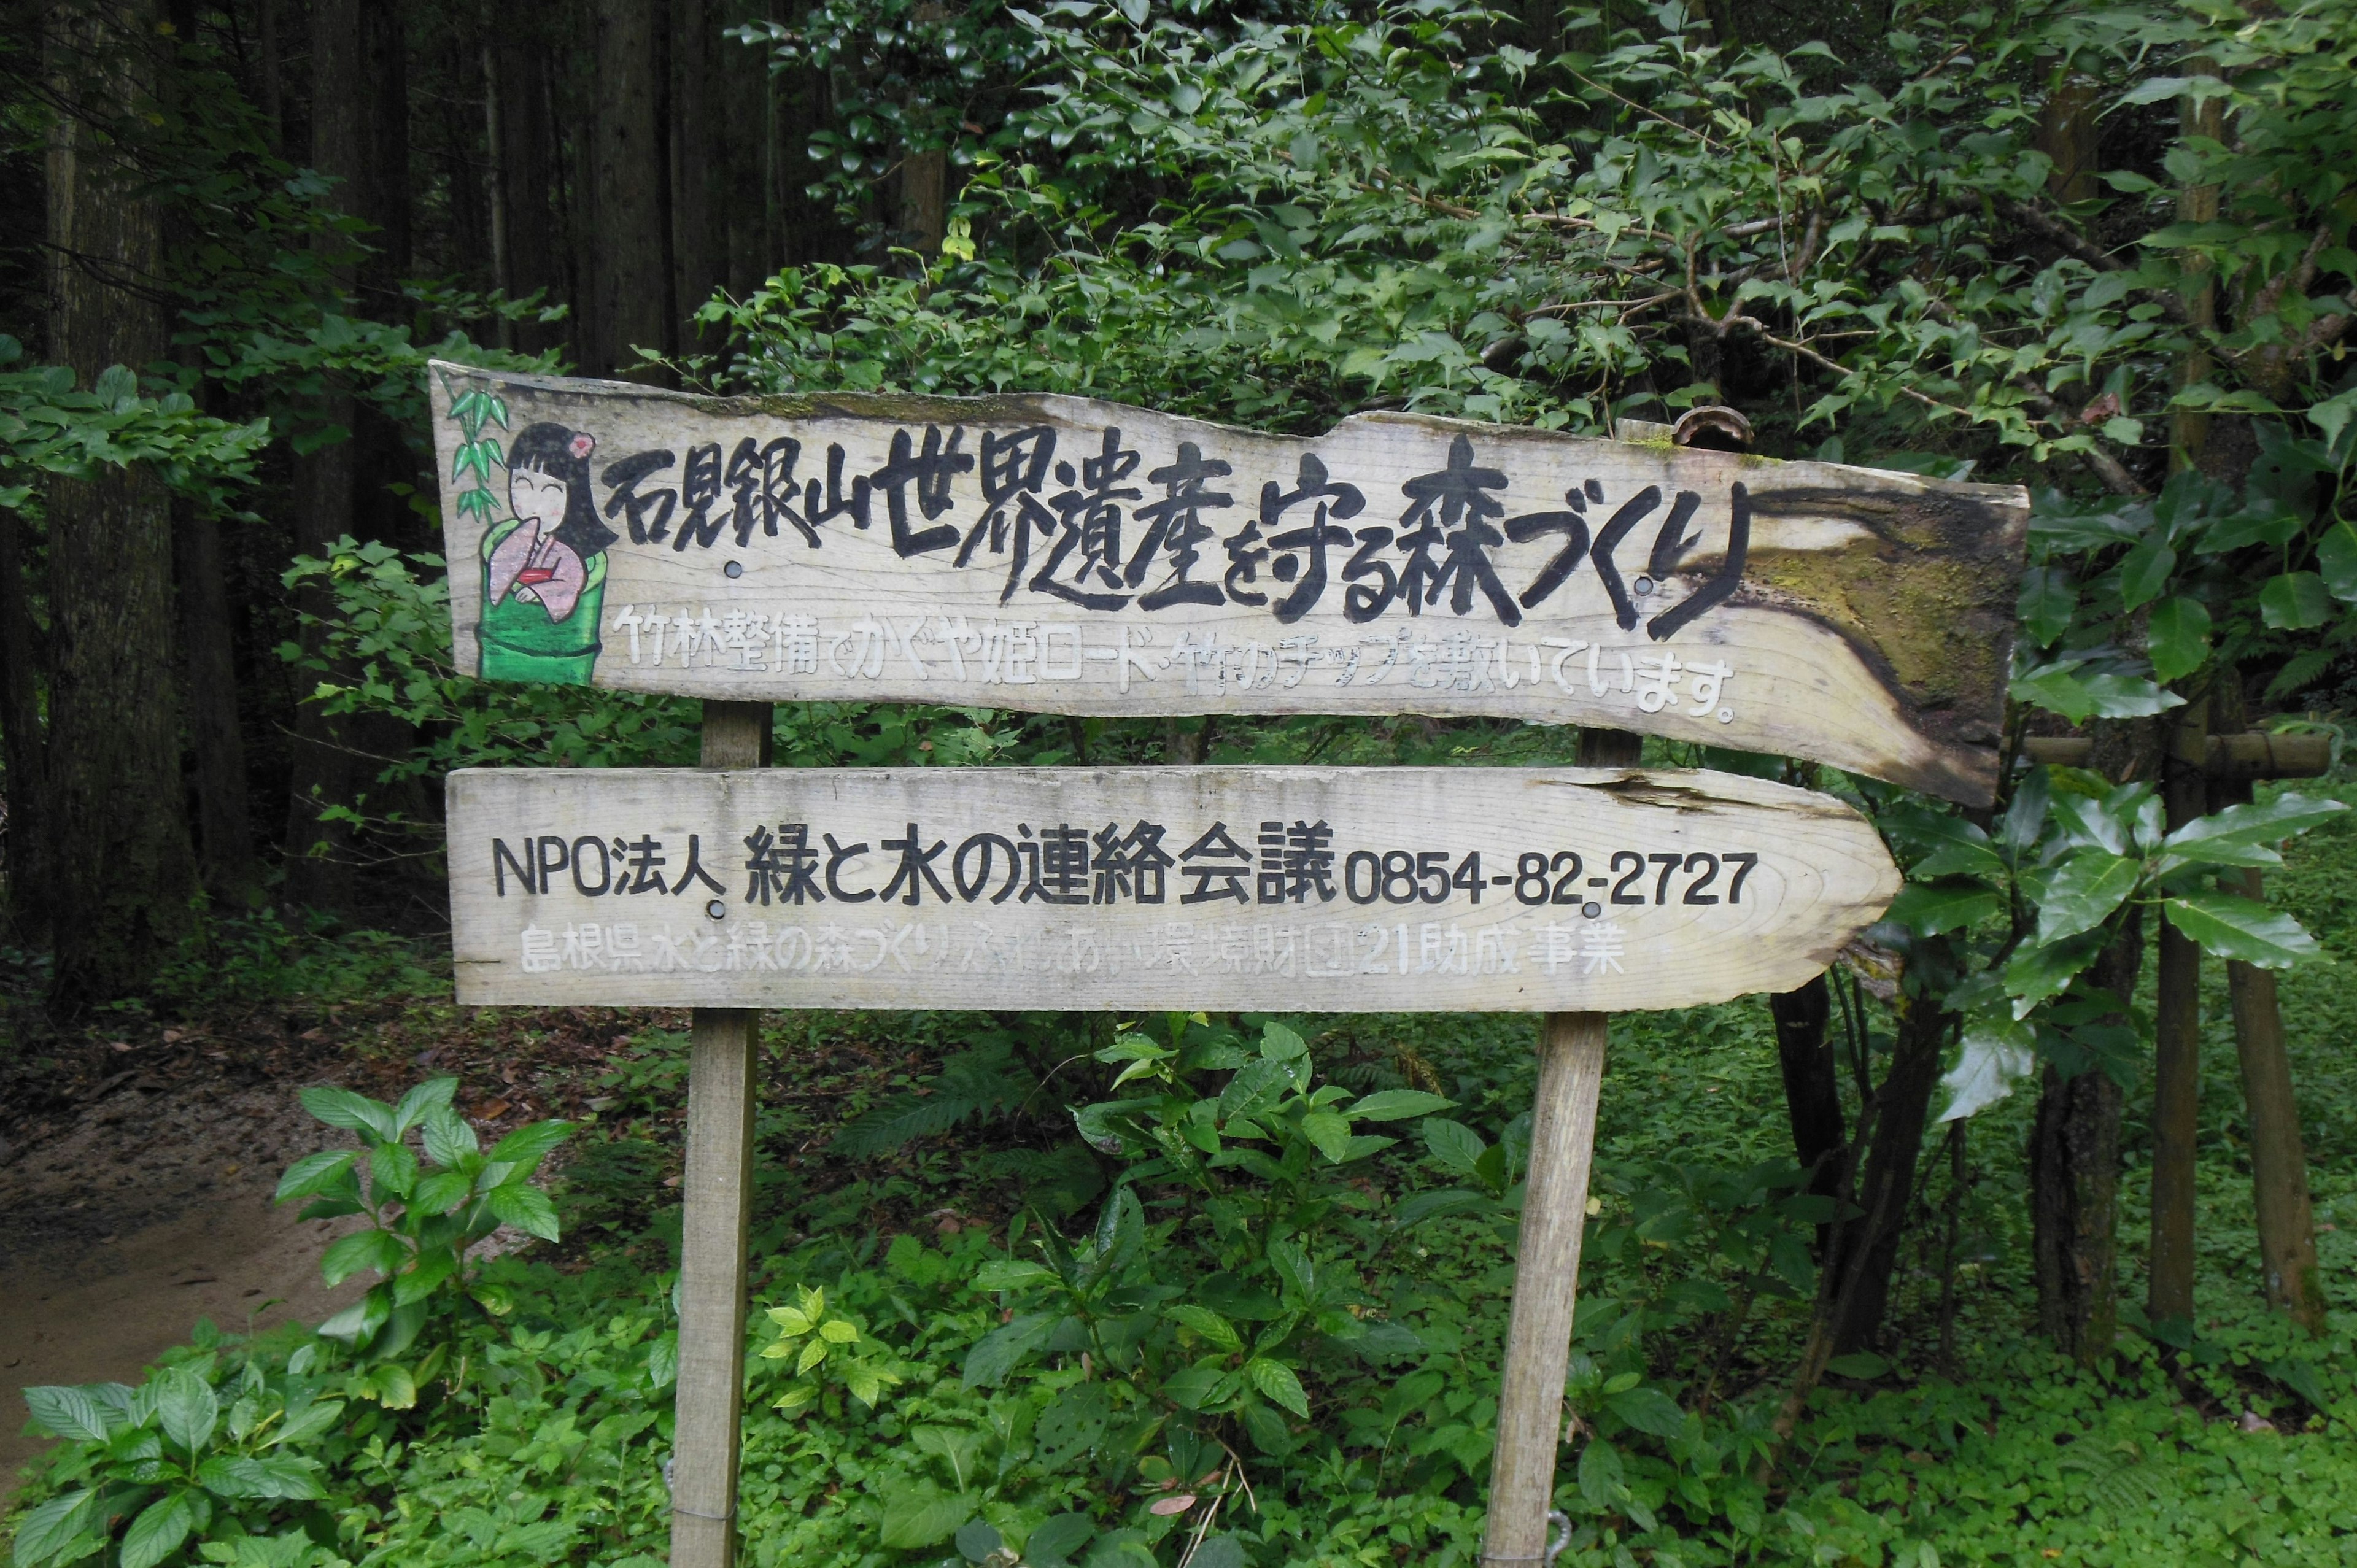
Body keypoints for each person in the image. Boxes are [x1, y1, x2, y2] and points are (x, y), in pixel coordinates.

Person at [478, 423, 619, 682]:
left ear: (572, 497)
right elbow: (500, 563)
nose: (534, 502)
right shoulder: (512, 537)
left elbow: (570, 582)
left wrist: (539, 590)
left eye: (551, 491)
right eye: (523, 485)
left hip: (561, 652)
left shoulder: (566, 550)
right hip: (504, 642)